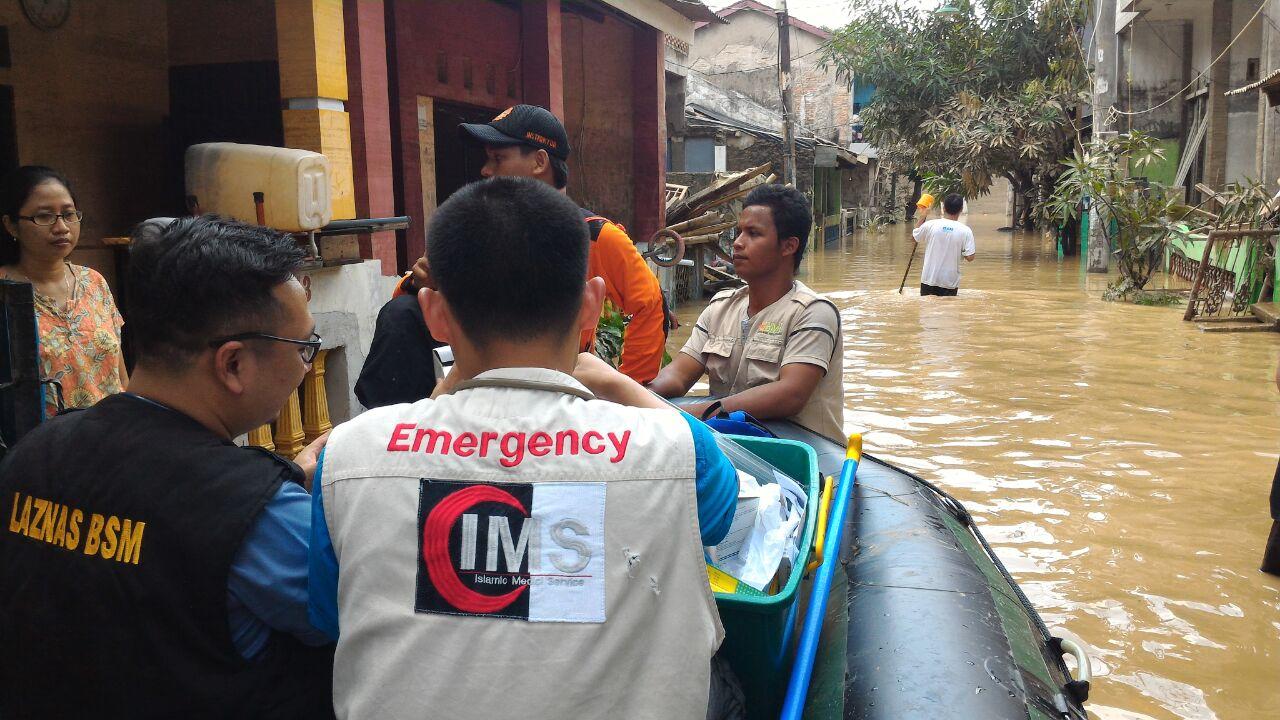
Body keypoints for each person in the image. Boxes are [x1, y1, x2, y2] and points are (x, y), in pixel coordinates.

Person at [309, 177, 739, 718]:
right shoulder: (677, 449)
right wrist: (611, 380)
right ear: (591, 306)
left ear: (435, 315)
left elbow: (331, 617)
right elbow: (724, 522)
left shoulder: (344, 459)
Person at [0, 216, 335, 718]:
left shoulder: (32, 455)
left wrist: (279, 480)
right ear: (234, 364)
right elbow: (353, 618)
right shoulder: (258, 517)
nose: (308, 363)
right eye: (305, 347)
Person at [648, 184, 845, 442]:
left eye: (753, 234)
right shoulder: (719, 308)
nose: (738, 243)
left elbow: (790, 395)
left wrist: (691, 414)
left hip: (800, 457)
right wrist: (637, 397)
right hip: (734, 447)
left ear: (789, 246)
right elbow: (677, 375)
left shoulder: (813, 312)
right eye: (739, 232)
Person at [0, 166, 127, 416]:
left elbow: (121, 377)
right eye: (44, 216)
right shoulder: (5, 291)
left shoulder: (94, 282)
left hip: (114, 439)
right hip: (43, 447)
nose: (61, 227)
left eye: (68, 214)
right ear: (11, 226)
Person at [912, 192, 975, 297]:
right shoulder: (965, 231)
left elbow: (914, 238)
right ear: (961, 210)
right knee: (948, 311)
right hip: (949, 282)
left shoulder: (930, 225)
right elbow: (970, 257)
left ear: (944, 208)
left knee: (926, 310)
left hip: (929, 279)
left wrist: (922, 216)